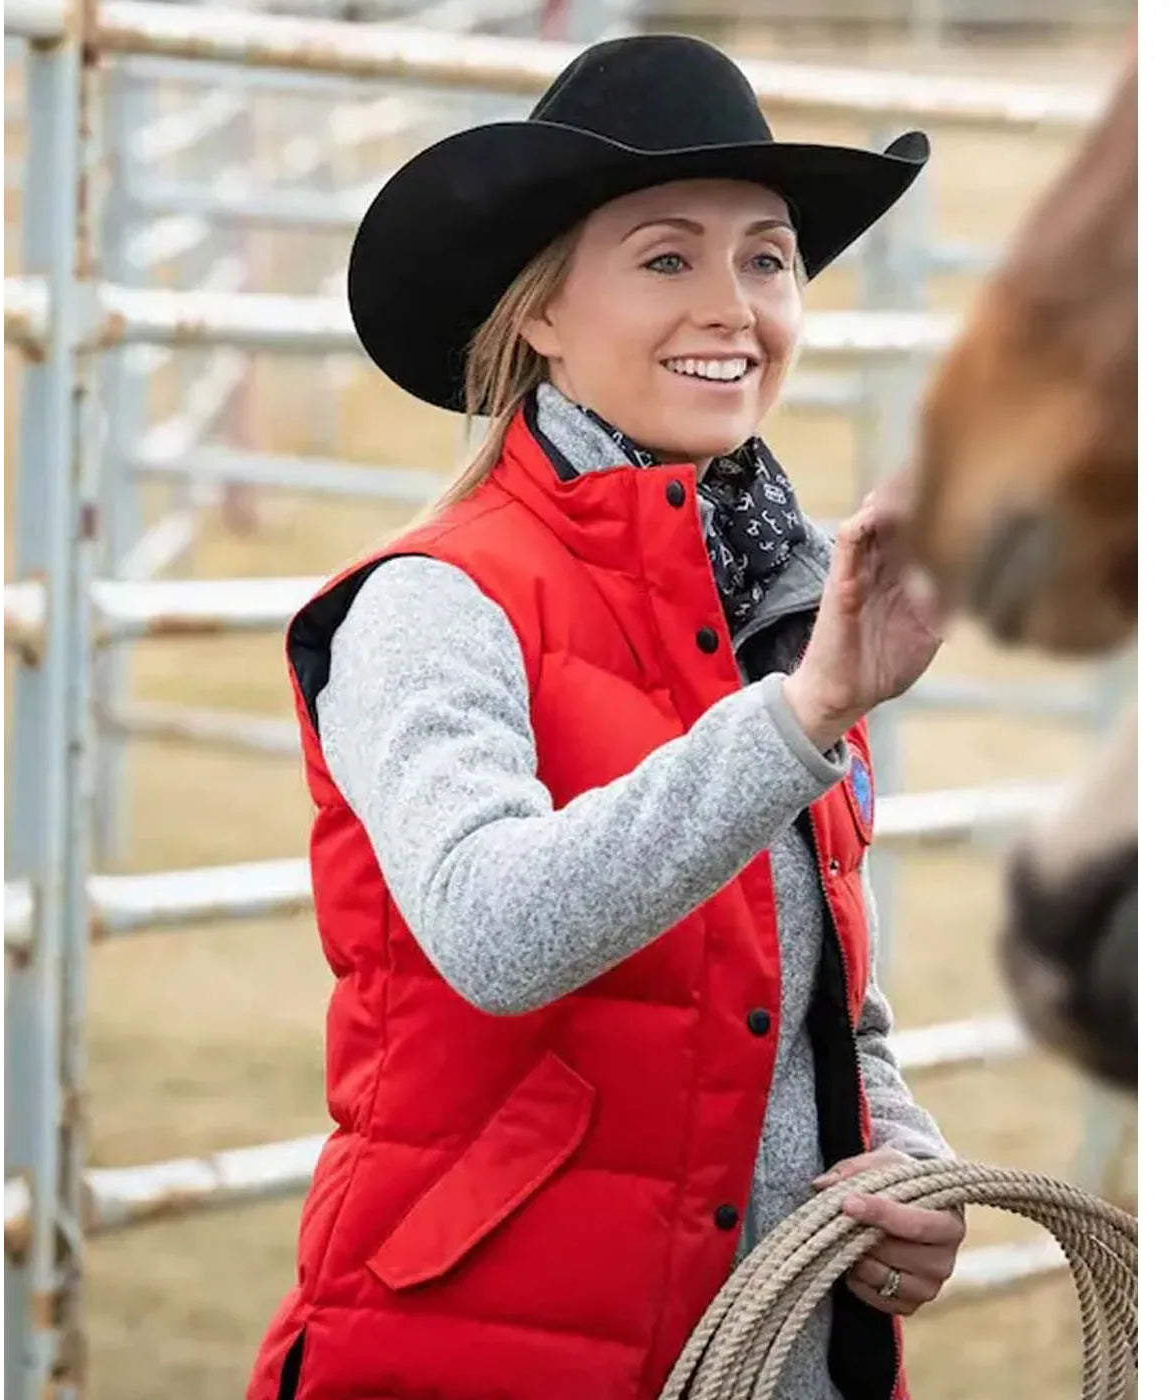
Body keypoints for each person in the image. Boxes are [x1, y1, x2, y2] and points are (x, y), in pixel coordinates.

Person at [248, 33, 965, 1400]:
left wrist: (909, 1166)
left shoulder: (781, 600)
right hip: (490, 1356)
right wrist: (802, 713)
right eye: (665, 259)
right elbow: (498, 930)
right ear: (542, 315)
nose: (734, 307)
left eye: (767, 258)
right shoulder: (432, 601)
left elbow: (824, 1009)